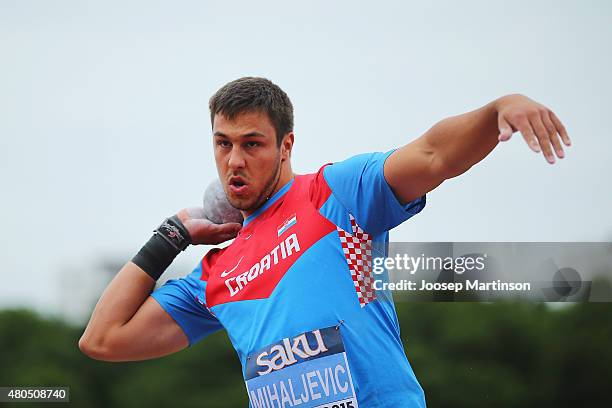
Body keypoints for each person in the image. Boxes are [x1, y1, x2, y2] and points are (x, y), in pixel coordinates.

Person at [79, 77, 570, 407]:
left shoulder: (337, 194)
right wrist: (171, 235)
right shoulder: (215, 275)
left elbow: (434, 154)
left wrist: (498, 109)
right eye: (222, 143)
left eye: (252, 143)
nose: (233, 160)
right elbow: (102, 339)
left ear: (285, 145)